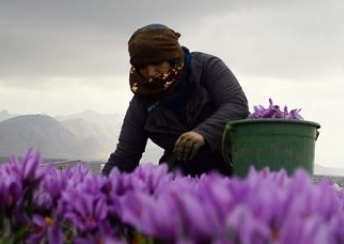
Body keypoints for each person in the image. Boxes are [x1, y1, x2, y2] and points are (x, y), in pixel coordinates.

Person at [103, 24, 248, 177]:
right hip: (180, 175)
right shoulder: (142, 102)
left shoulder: (206, 67)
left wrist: (202, 134)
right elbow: (124, 158)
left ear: (173, 58)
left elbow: (236, 104)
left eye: (157, 63)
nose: (151, 73)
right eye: (142, 67)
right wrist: (98, 190)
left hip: (233, 165)